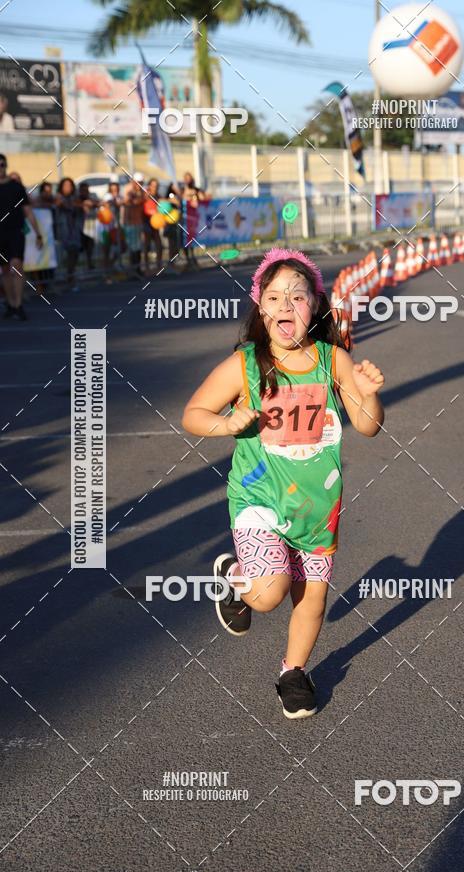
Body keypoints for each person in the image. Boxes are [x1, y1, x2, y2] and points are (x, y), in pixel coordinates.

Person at [182, 248, 385, 718]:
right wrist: (228, 425)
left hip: (320, 509)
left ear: (316, 305)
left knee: (311, 599)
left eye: (297, 296)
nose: (285, 306)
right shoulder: (245, 364)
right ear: (260, 308)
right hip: (260, 500)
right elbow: (194, 414)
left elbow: (369, 426)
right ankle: (235, 577)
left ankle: (294, 672)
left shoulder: (334, 360)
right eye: (274, 297)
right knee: (270, 593)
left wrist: (369, 396)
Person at [0, 153, 43, 320]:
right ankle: (10, 304)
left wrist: (38, 233)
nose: (0, 168)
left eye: (2, 164)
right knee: (4, 270)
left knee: (17, 265)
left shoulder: (16, 187)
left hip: (16, 232)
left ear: (6, 166)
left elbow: (28, 211)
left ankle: (19, 304)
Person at [54, 177, 82, 291]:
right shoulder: (58, 198)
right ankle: (67, 278)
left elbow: (80, 206)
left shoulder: (74, 198)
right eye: (65, 185)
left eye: (70, 186)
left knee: (74, 252)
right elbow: (64, 206)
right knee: (66, 253)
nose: (68, 188)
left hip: (73, 228)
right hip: (62, 228)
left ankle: (70, 276)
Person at [122, 173, 145, 277]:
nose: (140, 184)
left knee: (138, 247)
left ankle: (137, 268)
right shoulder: (129, 189)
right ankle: (132, 270)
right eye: (138, 182)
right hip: (129, 222)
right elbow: (128, 202)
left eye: (141, 183)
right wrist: (139, 199)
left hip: (138, 221)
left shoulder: (141, 190)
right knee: (131, 247)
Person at [142, 177, 163, 273]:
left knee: (159, 244)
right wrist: (147, 196)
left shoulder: (158, 195)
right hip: (146, 221)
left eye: (156, 186)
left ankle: (159, 265)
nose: (155, 187)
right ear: (150, 185)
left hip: (155, 222)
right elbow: (143, 200)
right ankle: (146, 267)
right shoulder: (146, 194)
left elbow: (162, 203)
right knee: (147, 245)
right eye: (153, 185)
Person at [78, 181, 99, 270]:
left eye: (86, 190)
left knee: (90, 246)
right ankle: (80, 265)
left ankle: (89, 263)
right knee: (80, 247)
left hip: (90, 226)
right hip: (79, 226)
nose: (85, 192)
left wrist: (90, 203)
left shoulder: (91, 198)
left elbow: (97, 203)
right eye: (83, 190)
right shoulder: (77, 199)